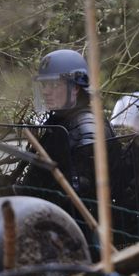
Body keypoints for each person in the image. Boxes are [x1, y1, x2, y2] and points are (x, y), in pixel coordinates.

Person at [23, 49, 114, 200]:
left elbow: (83, 195)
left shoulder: (89, 127)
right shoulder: (58, 122)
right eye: (44, 84)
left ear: (76, 88)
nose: (45, 91)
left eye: (54, 84)